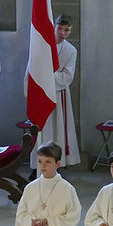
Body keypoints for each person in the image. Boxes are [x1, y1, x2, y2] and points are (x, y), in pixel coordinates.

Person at [30, 15, 80, 169]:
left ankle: (58, 164)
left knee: (58, 128)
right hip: (40, 92)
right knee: (41, 128)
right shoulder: (42, 44)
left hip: (59, 94)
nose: (63, 33)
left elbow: (67, 75)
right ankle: (37, 165)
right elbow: (32, 67)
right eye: (60, 28)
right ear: (54, 27)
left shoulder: (71, 50)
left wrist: (46, 77)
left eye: (67, 30)